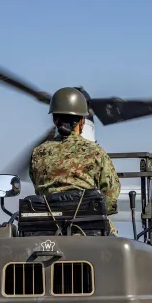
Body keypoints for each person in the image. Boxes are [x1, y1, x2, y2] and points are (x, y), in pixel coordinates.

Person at [28, 87, 122, 232]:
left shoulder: (38, 153)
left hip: (46, 231)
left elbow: (38, 190)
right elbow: (110, 198)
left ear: (54, 121)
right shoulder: (96, 152)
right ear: (82, 121)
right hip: (89, 232)